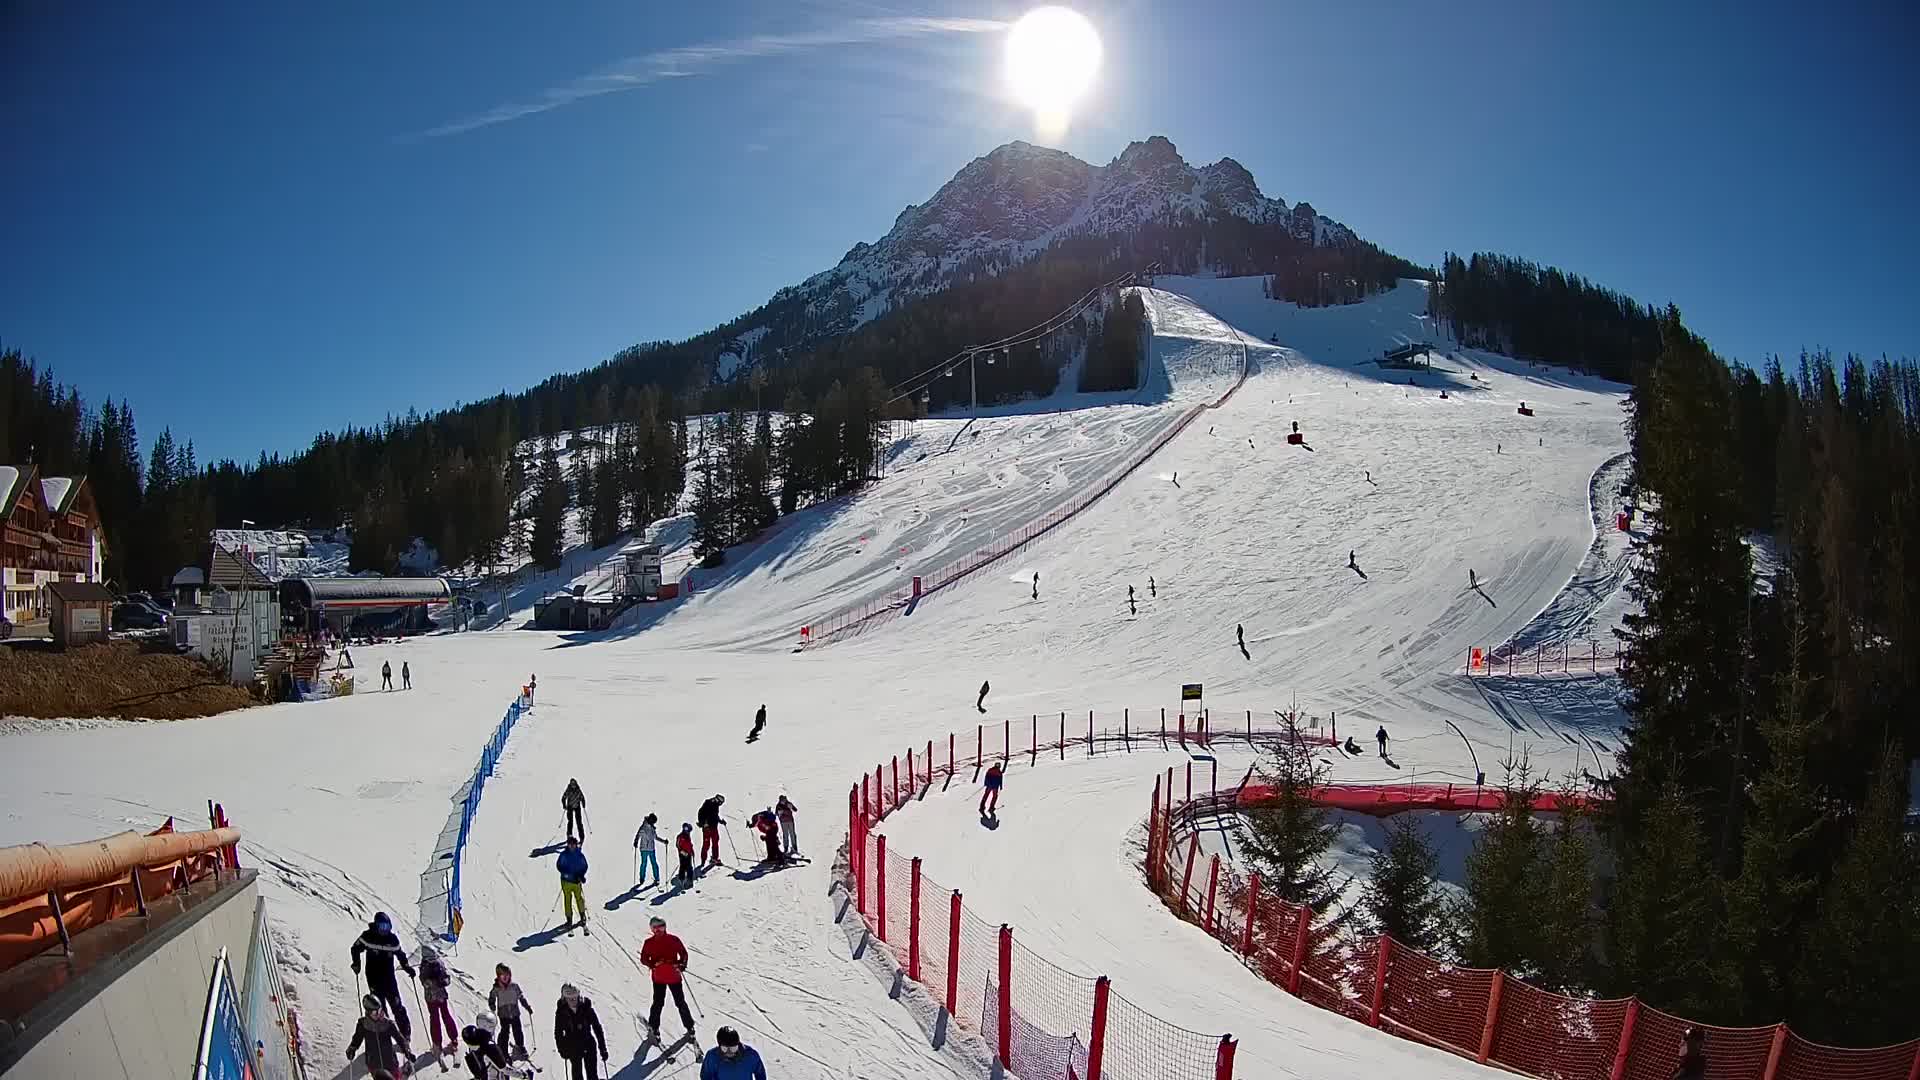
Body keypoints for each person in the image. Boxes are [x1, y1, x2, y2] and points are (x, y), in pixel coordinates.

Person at [351, 912, 416, 1041]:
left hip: (389, 979)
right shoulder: (368, 936)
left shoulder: (392, 940)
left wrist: (407, 967)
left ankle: (405, 1033)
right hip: (374, 979)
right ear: (376, 925)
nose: (383, 930)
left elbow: (400, 954)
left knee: (397, 1006)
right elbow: (355, 948)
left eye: (386, 926)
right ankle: (385, 1035)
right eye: (381, 926)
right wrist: (356, 963)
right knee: (380, 1009)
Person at [639, 916, 696, 1042]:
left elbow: (683, 953)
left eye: (661, 927)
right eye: (655, 928)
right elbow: (643, 958)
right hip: (659, 978)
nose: (658, 930)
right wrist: (653, 964)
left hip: (673, 977)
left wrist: (682, 964)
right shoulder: (649, 943)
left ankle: (689, 1025)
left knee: (680, 1002)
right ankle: (654, 1026)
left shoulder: (673, 940)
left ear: (665, 927)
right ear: (652, 929)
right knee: (658, 1003)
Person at [347, 994, 414, 1078]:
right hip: (374, 1064)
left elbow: (399, 1038)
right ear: (368, 1012)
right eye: (375, 1012)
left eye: (380, 1010)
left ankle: (403, 1074)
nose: (379, 1014)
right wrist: (352, 1048)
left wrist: (407, 1051)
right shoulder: (363, 1025)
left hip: (390, 1063)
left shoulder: (388, 1024)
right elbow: (357, 1038)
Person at [553, 983, 609, 1080]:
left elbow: (597, 1028)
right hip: (572, 1047)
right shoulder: (561, 1011)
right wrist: (562, 1049)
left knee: (592, 1075)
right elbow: (558, 1032)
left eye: (575, 997)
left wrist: (603, 1048)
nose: (573, 1000)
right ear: (564, 998)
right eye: (569, 998)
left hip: (588, 1044)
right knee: (577, 1075)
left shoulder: (586, 1007)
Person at [420, 945, 459, 1056]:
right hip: (432, 997)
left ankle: (453, 1038)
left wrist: (443, 981)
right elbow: (425, 982)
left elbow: (446, 977)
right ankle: (437, 1043)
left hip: (440, 996)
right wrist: (436, 982)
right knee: (435, 1018)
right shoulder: (424, 966)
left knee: (445, 1015)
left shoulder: (438, 964)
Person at [488, 963, 531, 1059]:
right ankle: (502, 1049)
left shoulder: (514, 986)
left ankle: (520, 1047)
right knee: (505, 1031)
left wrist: (527, 1006)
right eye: (503, 976)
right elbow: (491, 997)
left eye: (507, 975)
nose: (505, 978)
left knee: (518, 1030)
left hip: (514, 1012)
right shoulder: (496, 988)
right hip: (503, 1014)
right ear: (499, 976)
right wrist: (492, 1004)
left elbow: (521, 997)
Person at [700, 1026, 767, 1080]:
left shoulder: (750, 1056)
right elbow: (705, 1076)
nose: (729, 1052)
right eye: (725, 1049)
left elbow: (760, 1074)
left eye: (733, 1048)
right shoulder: (712, 1057)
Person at [462, 1011, 510, 1080]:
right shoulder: (488, 1046)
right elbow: (503, 1069)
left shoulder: (473, 1041)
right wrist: (523, 1075)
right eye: (491, 1026)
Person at [557, 837, 589, 932]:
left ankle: (582, 915)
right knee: (567, 900)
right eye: (569, 844)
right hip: (566, 881)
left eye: (573, 844)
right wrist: (565, 873)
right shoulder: (563, 855)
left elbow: (585, 866)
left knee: (579, 898)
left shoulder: (579, 855)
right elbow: (559, 866)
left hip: (576, 882)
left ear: (575, 845)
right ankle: (569, 919)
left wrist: (581, 875)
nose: (571, 846)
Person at [633, 813, 662, 887]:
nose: (653, 823)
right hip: (644, 849)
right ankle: (642, 878)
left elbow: (656, 837)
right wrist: (636, 842)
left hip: (651, 849)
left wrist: (664, 841)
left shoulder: (652, 828)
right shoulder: (643, 827)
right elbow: (638, 835)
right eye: (653, 821)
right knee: (644, 864)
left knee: (654, 863)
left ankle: (657, 878)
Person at [696, 795, 725, 866]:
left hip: (714, 827)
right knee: (706, 844)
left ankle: (714, 858)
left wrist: (720, 821)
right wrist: (703, 823)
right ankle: (703, 860)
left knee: (715, 841)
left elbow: (714, 815)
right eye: (720, 803)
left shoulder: (715, 805)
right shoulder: (708, 803)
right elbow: (700, 813)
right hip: (707, 828)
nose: (720, 804)